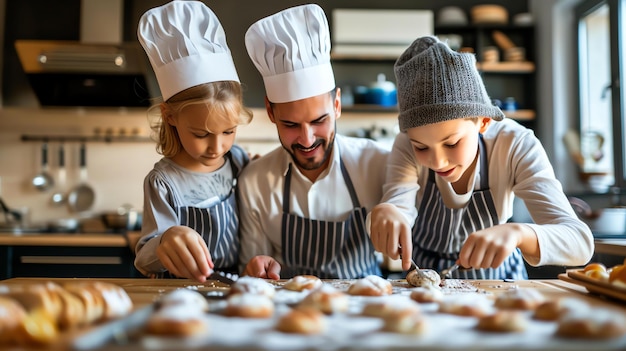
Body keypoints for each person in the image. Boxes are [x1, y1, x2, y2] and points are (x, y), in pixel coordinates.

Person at [368, 36, 594, 280]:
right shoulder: (404, 144)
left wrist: (519, 233)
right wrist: (387, 212)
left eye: (452, 143)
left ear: (483, 121)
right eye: (422, 148)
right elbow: (398, 205)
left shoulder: (515, 144)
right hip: (427, 280)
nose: (438, 162)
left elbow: (580, 244)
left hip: (500, 283)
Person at [238, 4, 390, 280]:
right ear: (271, 112)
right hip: (290, 314)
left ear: (337, 105)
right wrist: (256, 268)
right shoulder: (254, 182)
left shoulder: (378, 162)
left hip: (366, 308)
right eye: (291, 125)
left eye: (319, 120)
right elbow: (254, 270)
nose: (307, 140)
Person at [134, 1, 253, 283]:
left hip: (231, 291)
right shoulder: (163, 182)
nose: (217, 147)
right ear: (170, 116)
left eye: (229, 132)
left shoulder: (238, 161)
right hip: (180, 295)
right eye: (201, 134)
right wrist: (165, 240)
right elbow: (143, 257)